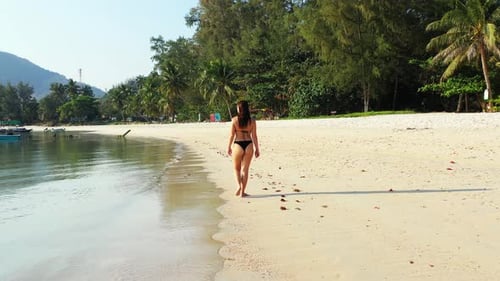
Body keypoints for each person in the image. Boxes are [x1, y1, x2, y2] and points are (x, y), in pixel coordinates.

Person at [227, 100, 260, 197]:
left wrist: (228, 147)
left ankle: (238, 186)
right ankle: (242, 192)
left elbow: (231, 135)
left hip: (238, 144)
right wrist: (257, 149)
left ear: (239, 109)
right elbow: (254, 136)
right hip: (249, 144)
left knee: (236, 169)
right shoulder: (252, 121)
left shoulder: (234, 120)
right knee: (245, 170)